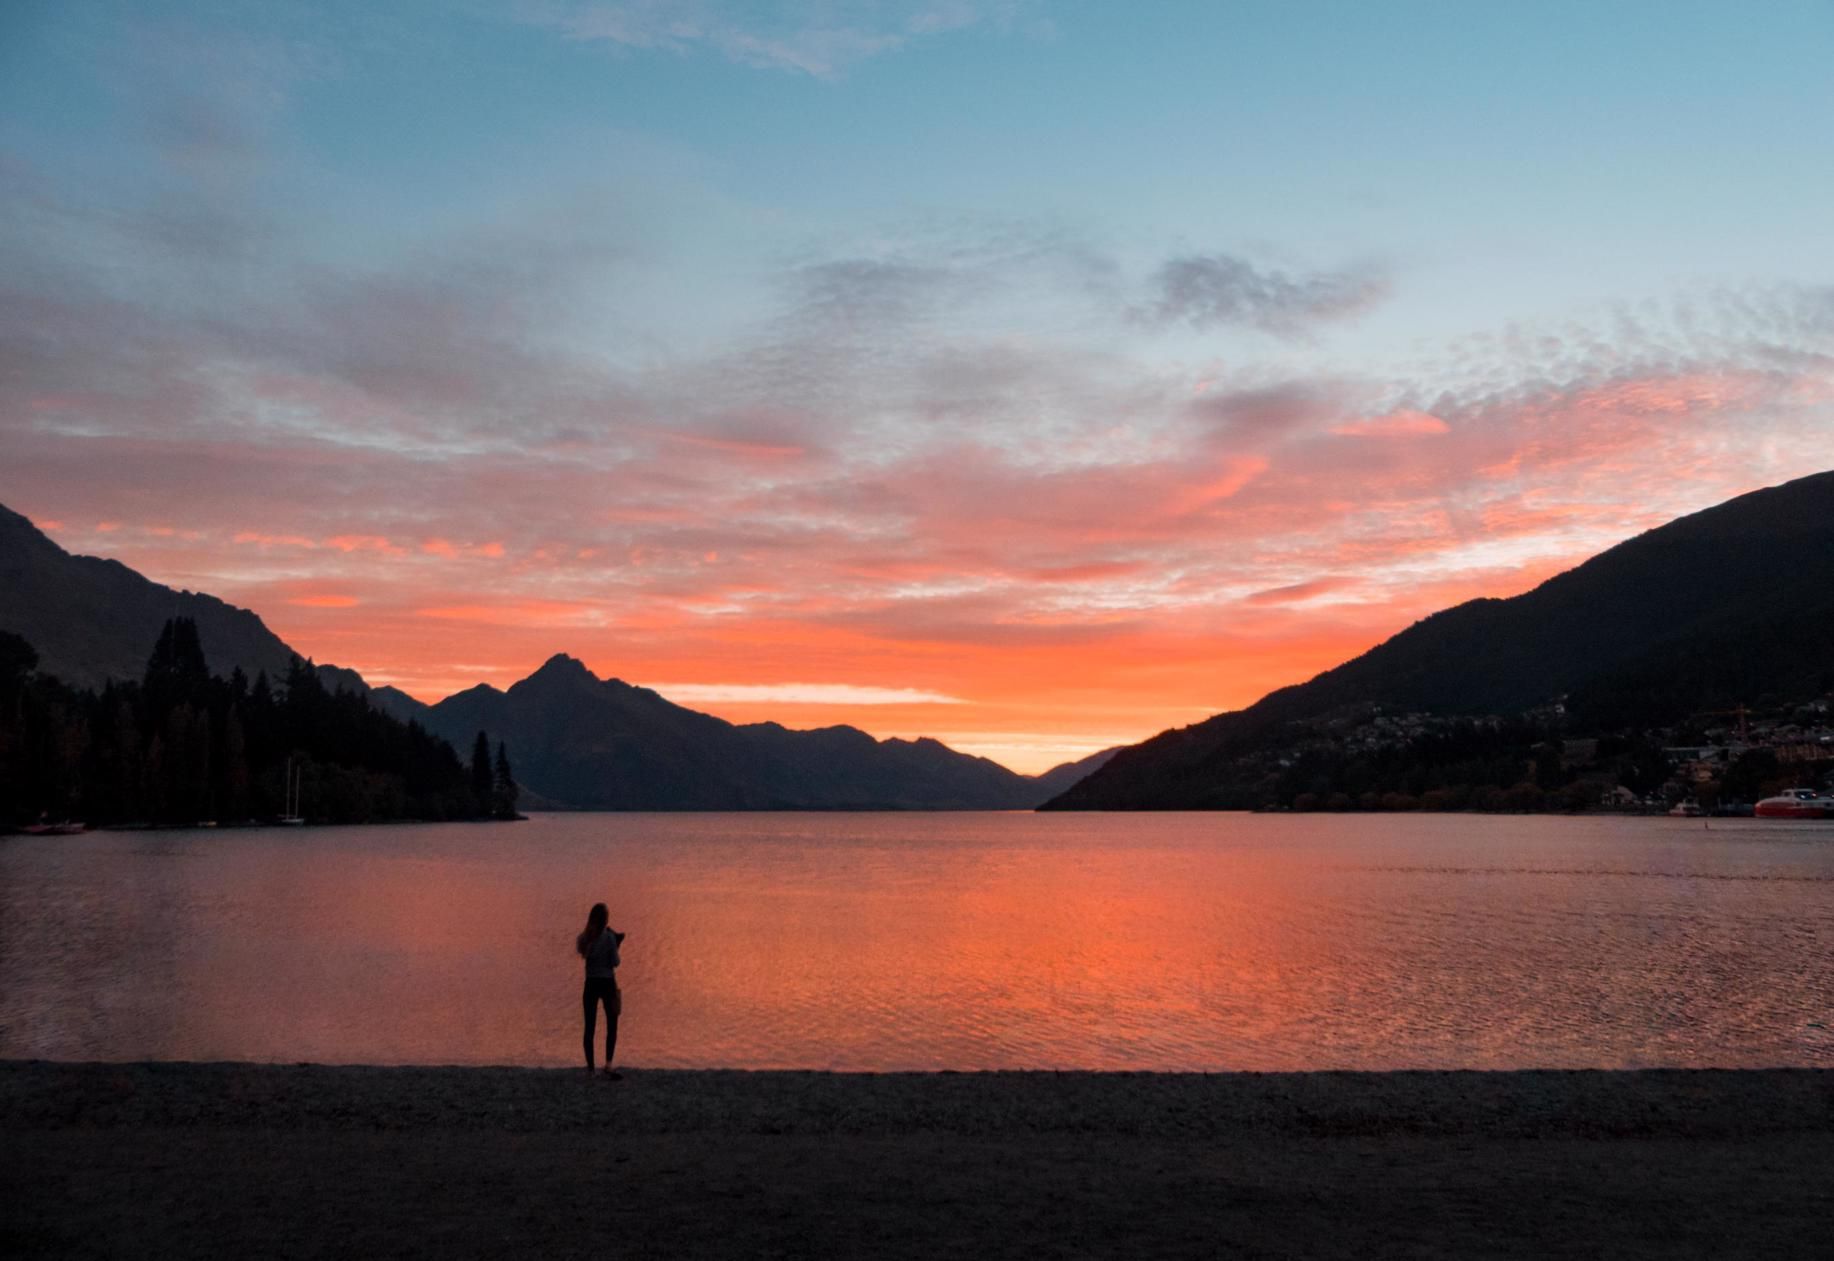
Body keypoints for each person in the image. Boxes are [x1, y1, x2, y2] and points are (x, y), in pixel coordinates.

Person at [575, 902, 625, 1078]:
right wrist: (616, 945)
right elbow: (615, 962)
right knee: (612, 1024)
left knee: (589, 1026)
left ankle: (590, 1069)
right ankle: (608, 1064)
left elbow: (583, 953)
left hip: (590, 984)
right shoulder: (609, 938)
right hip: (607, 983)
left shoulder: (584, 938)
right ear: (606, 920)